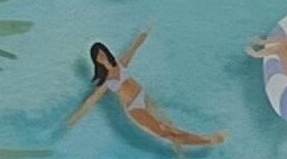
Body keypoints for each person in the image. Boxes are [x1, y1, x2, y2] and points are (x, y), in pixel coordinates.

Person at [64, 32, 226, 151]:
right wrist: (75, 118)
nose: (101, 57)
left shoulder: (121, 65)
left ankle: (193, 142)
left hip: (144, 98)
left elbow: (134, 47)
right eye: (97, 56)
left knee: (171, 127)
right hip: (136, 109)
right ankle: (209, 140)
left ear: (106, 52)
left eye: (102, 53)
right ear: (95, 60)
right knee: (168, 133)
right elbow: (92, 100)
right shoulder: (107, 81)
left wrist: (147, 31)